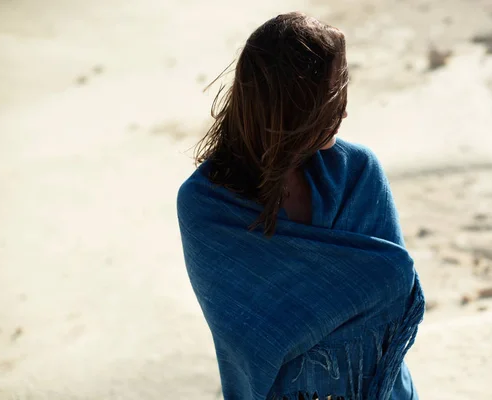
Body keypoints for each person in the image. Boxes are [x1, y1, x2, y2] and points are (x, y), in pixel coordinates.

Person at [177, 12, 424, 400]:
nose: (343, 111)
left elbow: (394, 292)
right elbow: (247, 336)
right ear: (296, 105)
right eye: (332, 96)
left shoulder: (357, 171)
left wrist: (311, 309)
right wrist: (360, 290)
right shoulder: (206, 204)